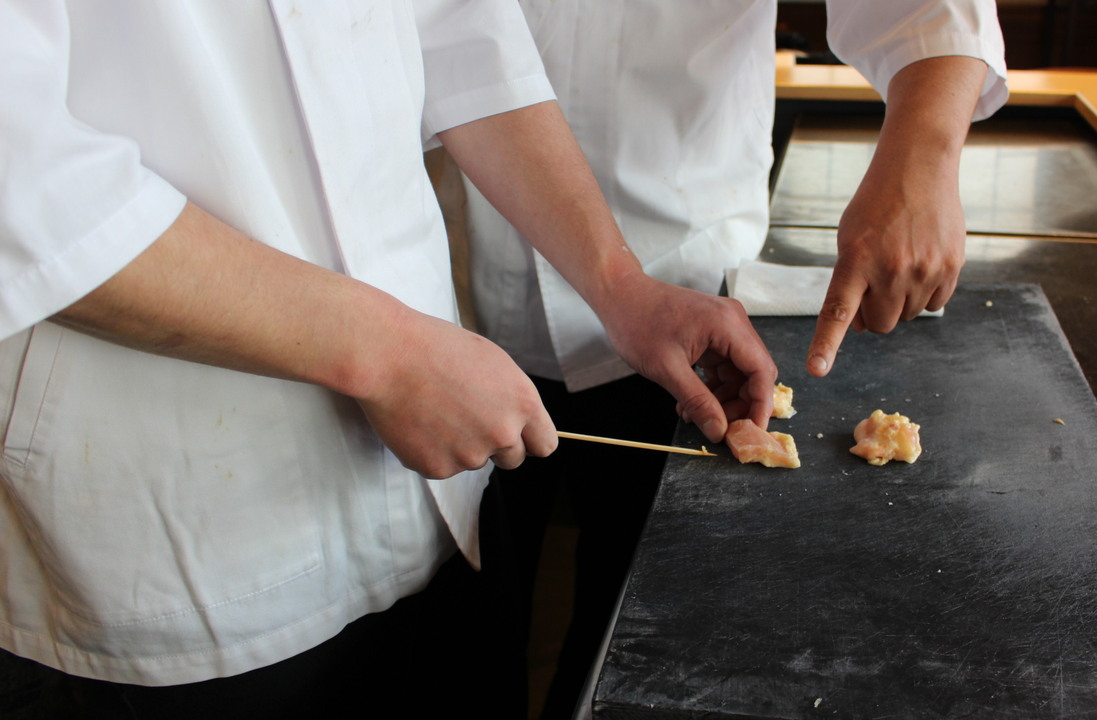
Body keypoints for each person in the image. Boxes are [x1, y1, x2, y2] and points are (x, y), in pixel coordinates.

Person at [0, 2, 775, 717]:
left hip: (434, 505)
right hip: (179, 547)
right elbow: (26, 183)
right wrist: (385, 352)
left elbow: (463, 35)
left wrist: (620, 286)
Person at [457, 2, 1009, 717]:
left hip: (693, 299)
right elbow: (455, 48)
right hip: (457, 308)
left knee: (639, 653)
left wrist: (926, 153)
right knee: (469, 644)